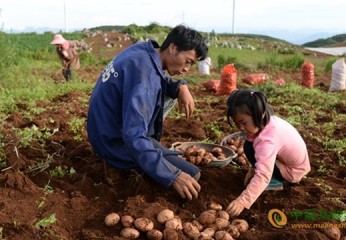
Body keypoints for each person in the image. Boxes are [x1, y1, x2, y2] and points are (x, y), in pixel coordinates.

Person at [87, 25, 208, 200]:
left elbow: (161, 76)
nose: (187, 69)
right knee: (192, 174)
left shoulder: (144, 51)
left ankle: (145, 149)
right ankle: (118, 166)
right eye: (188, 61)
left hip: (103, 128)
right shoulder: (146, 79)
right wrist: (173, 176)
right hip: (113, 141)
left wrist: (180, 85)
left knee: (170, 92)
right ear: (173, 48)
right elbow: (133, 136)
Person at [225, 89, 311, 217]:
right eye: (237, 124)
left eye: (243, 123)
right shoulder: (267, 120)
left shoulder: (267, 141)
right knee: (249, 145)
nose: (241, 128)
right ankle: (268, 173)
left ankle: (274, 181)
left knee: (251, 149)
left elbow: (263, 175)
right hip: (291, 162)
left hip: (292, 172)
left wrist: (242, 202)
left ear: (259, 115)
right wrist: (252, 169)